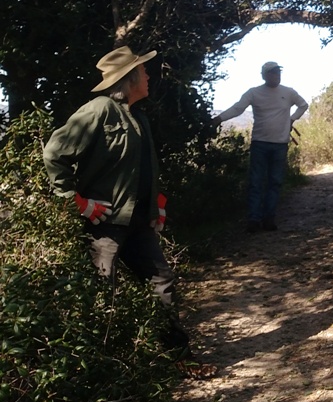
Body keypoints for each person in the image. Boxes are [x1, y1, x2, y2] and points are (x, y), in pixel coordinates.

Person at [42, 46, 214, 377]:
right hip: (105, 226)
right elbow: (54, 153)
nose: (148, 75)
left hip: (137, 223)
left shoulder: (139, 119)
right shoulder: (99, 110)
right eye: (143, 71)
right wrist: (77, 202)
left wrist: (157, 205)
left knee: (162, 282)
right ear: (130, 78)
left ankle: (181, 358)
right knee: (102, 295)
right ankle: (97, 376)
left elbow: (145, 168)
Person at [213, 61, 308, 232]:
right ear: (264, 75)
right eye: (272, 73)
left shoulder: (288, 92)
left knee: (275, 182)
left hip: (280, 144)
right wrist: (219, 119)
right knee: (256, 182)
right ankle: (254, 219)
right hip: (260, 143)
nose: (276, 76)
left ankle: (268, 218)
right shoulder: (254, 93)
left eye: (278, 73)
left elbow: (303, 105)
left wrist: (292, 119)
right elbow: (237, 108)